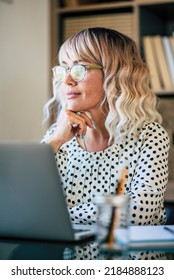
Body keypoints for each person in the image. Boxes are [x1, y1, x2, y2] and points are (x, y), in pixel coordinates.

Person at [41, 27, 170, 260]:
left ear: (115, 74)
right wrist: (55, 141)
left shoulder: (150, 135)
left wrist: (57, 217)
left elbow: (142, 211)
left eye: (79, 69)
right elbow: (24, 202)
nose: (67, 80)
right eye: (63, 69)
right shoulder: (57, 135)